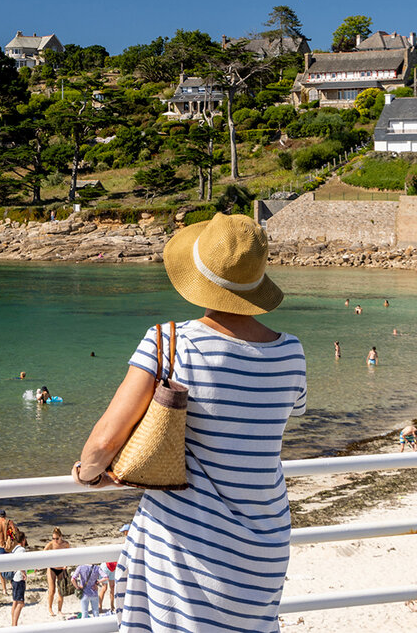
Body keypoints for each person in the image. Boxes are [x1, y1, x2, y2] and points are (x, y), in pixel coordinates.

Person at [72, 213, 306, 633]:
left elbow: (103, 442)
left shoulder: (168, 341)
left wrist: (89, 476)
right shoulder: (291, 353)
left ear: (200, 277)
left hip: (188, 546)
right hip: (264, 547)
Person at [43, 527, 70, 616]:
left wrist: (66, 565)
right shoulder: (51, 544)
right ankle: (50, 608)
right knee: (52, 590)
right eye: (53, 538)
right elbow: (42, 555)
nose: (55, 540)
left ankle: (59, 610)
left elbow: (69, 556)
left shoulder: (65, 544)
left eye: (57, 538)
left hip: (61, 569)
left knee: (61, 591)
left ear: (61, 537)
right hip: (51, 569)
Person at [9, 535, 29, 626]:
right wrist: (23, 572)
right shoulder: (21, 550)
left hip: (14, 577)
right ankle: (14, 624)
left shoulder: (15, 549)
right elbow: (20, 562)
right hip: (19, 578)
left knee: (15, 601)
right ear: (23, 540)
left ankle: (13, 623)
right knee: (21, 603)